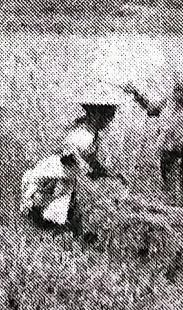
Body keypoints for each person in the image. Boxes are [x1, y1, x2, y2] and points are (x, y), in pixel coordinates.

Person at [21, 90, 124, 229]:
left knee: (61, 206)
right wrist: (83, 165)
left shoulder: (93, 134)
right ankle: (35, 213)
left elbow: (92, 161)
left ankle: (49, 223)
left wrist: (109, 173)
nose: (108, 121)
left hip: (68, 174)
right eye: (105, 117)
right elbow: (69, 152)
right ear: (94, 114)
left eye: (110, 117)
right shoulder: (82, 131)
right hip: (56, 169)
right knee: (38, 188)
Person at [120, 72, 183, 208]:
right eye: (176, 89)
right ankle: (178, 210)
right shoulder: (168, 102)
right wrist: (136, 93)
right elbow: (151, 108)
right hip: (166, 153)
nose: (175, 92)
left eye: (180, 90)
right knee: (169, 186)